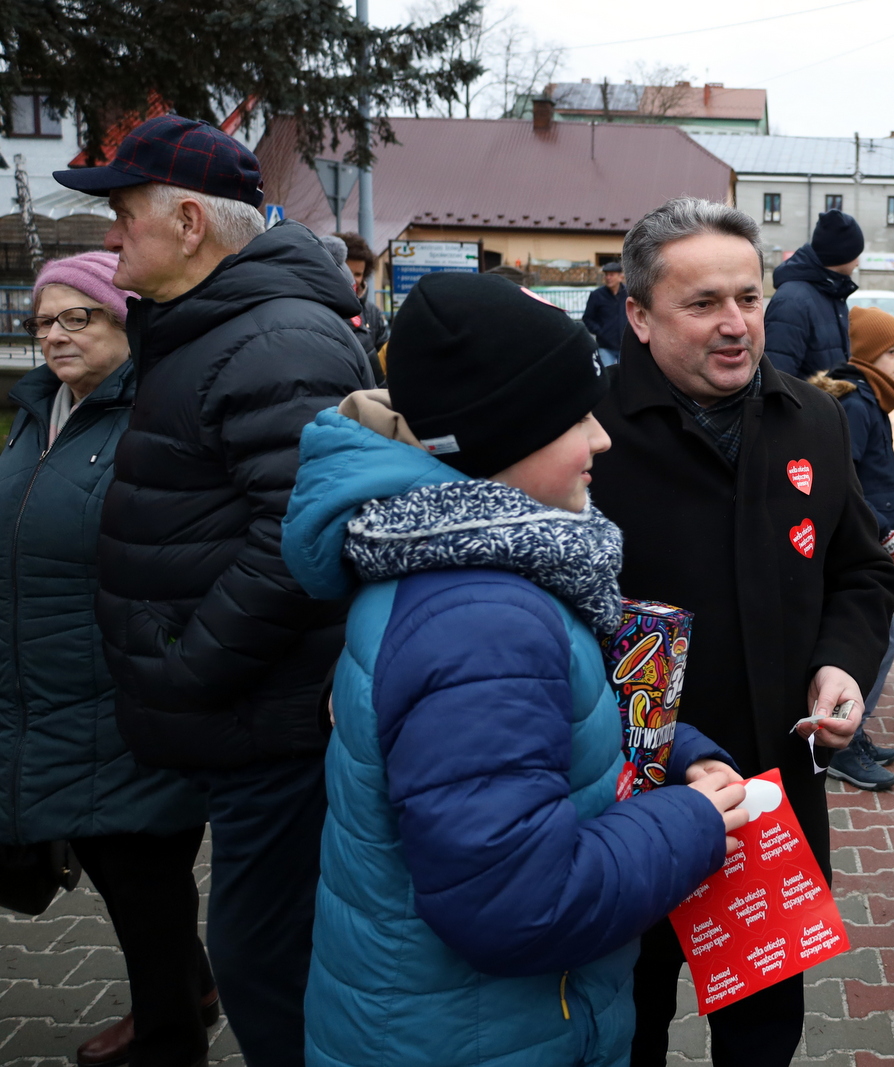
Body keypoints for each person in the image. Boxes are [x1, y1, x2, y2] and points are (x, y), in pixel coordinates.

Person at [279, 271, 748, 1067]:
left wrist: (675, 746)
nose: (601, 438)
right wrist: (695, 822)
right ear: (499, 439)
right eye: (574, 418)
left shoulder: (475, 564)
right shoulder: (483, 621)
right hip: (476, 1034)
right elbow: (518, 900)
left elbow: (533, 728)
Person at [54, 114, 374, 1067]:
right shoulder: (212, 323)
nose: (111, 240)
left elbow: (302, 537)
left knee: (262, 957)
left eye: (123, 217)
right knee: (254, 948)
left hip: (267, 722)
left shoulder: (273, 338)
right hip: (236, 716)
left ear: (189, 221)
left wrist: (191, 661)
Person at [590, 197, 894, 1067]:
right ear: (640, 316)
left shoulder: (814, 416)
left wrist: (842, 662)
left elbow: (864, 569)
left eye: (749, 298)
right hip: (629, 801)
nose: (735, 325)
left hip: (772, 796)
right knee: (626, 1026)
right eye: (703, 304)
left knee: (764, 1034)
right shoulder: (584, 437)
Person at [1, 254, 214, 1067]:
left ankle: (169, 1038)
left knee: (141, 868)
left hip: (123, 687)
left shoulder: (157, 416)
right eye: (42, 322)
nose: (53, 336)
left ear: (125, 321)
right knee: (110, 858)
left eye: (76, 318)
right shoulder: (41, 409)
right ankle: (185, 989)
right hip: (46, 682)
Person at [807, 306, 894, 792]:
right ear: (870, 354)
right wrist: (881, 532)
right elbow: (845, 485)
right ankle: (840, 743)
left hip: (875, 538)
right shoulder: (857, 404)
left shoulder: (872, 400)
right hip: (864, 542)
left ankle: (856, 731)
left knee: (883, 642)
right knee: (882, 643)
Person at [763, 209, 863, 377]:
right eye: (856, 255)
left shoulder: (832, 291)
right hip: (808, 404)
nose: (858, 263)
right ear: (841, 254)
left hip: (827, 403)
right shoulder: (792, 301)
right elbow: (778, 379)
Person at [334, 231, 390, 378]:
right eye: (347, 271)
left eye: (358, 274)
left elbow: (385, 362)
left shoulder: (373, 314)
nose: (352, 279)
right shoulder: (322, 308)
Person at [583, 260, 629, 367]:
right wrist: (601, 332)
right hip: (605, 346)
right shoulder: (597, 295)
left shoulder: (629, 294)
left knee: (626, 377)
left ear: (620, 277)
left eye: (612, 275)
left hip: (626, 345)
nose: (608, 278)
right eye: (606, 275)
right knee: (607, 375)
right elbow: (587, 318)